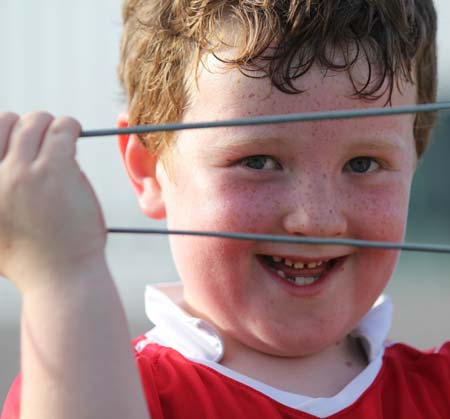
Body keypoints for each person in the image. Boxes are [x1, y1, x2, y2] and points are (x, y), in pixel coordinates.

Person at [1, 0, 447, 418]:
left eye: (364, 164)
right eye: (257, 161)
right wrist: (63, 280)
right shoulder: (94, 384)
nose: (316, 219)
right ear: (148, 169)